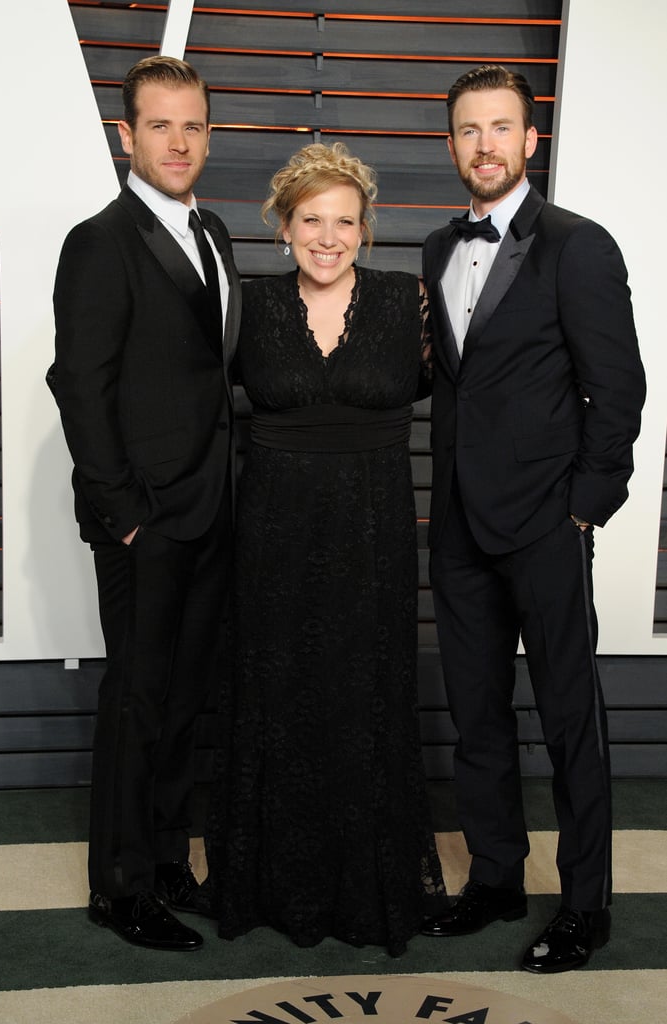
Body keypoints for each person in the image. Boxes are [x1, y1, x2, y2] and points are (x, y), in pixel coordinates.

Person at [420, 64, 646, 972]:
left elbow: (617, 391)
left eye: (500, 128)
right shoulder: (437, 247)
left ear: (528, 140)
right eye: (468, 130)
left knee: (567, 722)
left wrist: (583, 510)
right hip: (458, 528)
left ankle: (584, 905)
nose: (484, 145)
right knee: (475, 718)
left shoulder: (577, 245)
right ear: (451, 144)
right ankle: (495, 878)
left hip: (549, 528)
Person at [202, 141, 447, 956]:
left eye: (345, 220)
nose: (328, 235)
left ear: (366, 228)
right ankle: (274, 885)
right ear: (281, 225)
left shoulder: (406, 302)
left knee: (362, 694)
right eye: (312, 219)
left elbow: (471, 393)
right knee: (276, 692)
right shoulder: (249, 308)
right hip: (271, 534)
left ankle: (365, 888)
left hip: (373, 533)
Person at [48, 55, 241, 951]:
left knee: (186, 697)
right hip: (144, 520)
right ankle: (118, 886)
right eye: (159, 124)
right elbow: (79, 383)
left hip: (211, 510)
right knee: (137, 700)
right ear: (127, 135)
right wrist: (122, 509)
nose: (178, 140)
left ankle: (166, 862)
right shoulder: (100, 240)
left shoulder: (219, 236)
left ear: (209, 131)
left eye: (192, 124)